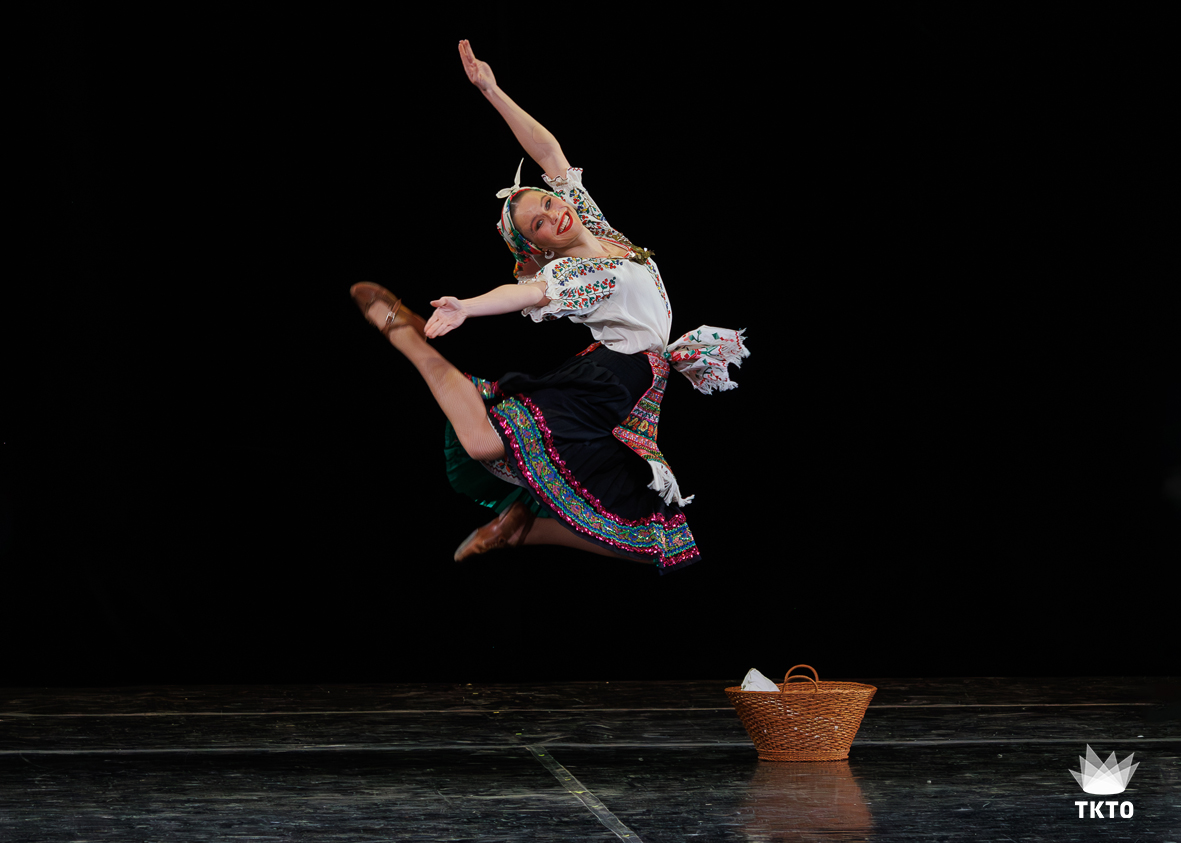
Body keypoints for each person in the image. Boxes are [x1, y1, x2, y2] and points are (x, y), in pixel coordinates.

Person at [349, 40, 748, 573]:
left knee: (647, 530)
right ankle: (412, 341)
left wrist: (492, 90)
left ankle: (525, 530)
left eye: (548, 201)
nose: (553, 212)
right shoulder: (572, 273)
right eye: (539, 223)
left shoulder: (599, 230)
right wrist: (467, 307)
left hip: (637, 385)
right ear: (540, 248)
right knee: (484, 444)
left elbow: (549, 152)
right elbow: (527, 293)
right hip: (616, 377)